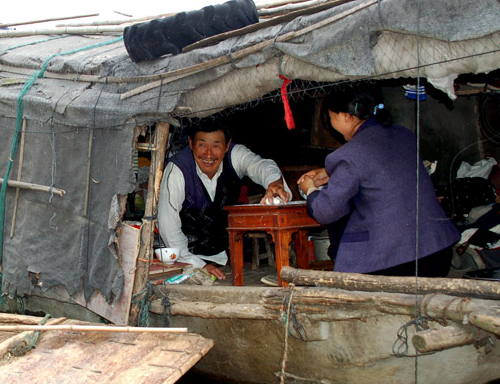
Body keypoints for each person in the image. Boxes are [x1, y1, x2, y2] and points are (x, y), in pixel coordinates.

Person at [297, 86, 459, 277]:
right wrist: (332, 173)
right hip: (437, 252)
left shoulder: (348, 155)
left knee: (341, 213)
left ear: (345, 116)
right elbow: (382, 168)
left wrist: (310, 189)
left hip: (394, 263)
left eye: (331, 116)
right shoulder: (404, 135)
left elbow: (326, 211)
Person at [158, 119, 291, 280]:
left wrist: (275, 184)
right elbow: (167, 225)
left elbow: (261, 166)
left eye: (216, 145)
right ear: (191, 143)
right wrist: (197, 265)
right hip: (187, 261)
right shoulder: (177, 169)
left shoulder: (235, 155)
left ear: (227, 146)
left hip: (227, 257)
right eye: (201, 145)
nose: (208, 154)